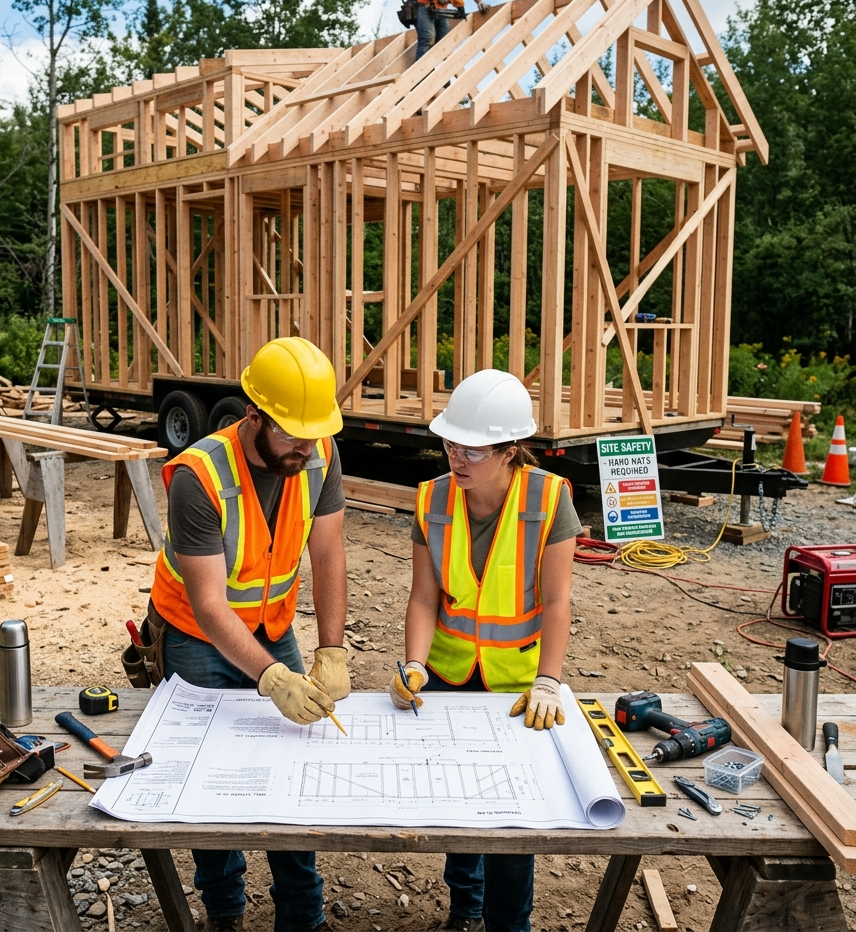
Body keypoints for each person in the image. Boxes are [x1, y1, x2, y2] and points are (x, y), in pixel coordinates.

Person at [149, 336, 351, 932]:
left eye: (314, 435)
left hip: (273, 625)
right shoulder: (199, 477)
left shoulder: (318, 452)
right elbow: (210, 605)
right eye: (291, 434)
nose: (306, 449)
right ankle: (226, 915)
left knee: (294, 768)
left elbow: (330, 552)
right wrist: (270, 676)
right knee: (214, 781)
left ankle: (301, 915)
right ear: (253, 416)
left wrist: (332, 647)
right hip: (194, 636)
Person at [390, 369, 581, 932]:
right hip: (447, 676)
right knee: (460, 802)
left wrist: (548, 680)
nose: (458, 458)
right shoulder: (432, 500)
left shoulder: (549, 499)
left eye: (472, 449)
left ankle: (507, 924)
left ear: (510, 449)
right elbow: (424, 599)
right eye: (451, 443)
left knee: (514, 817)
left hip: (517, 686)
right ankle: (463, 908)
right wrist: (414, 665)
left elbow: (557, 603)